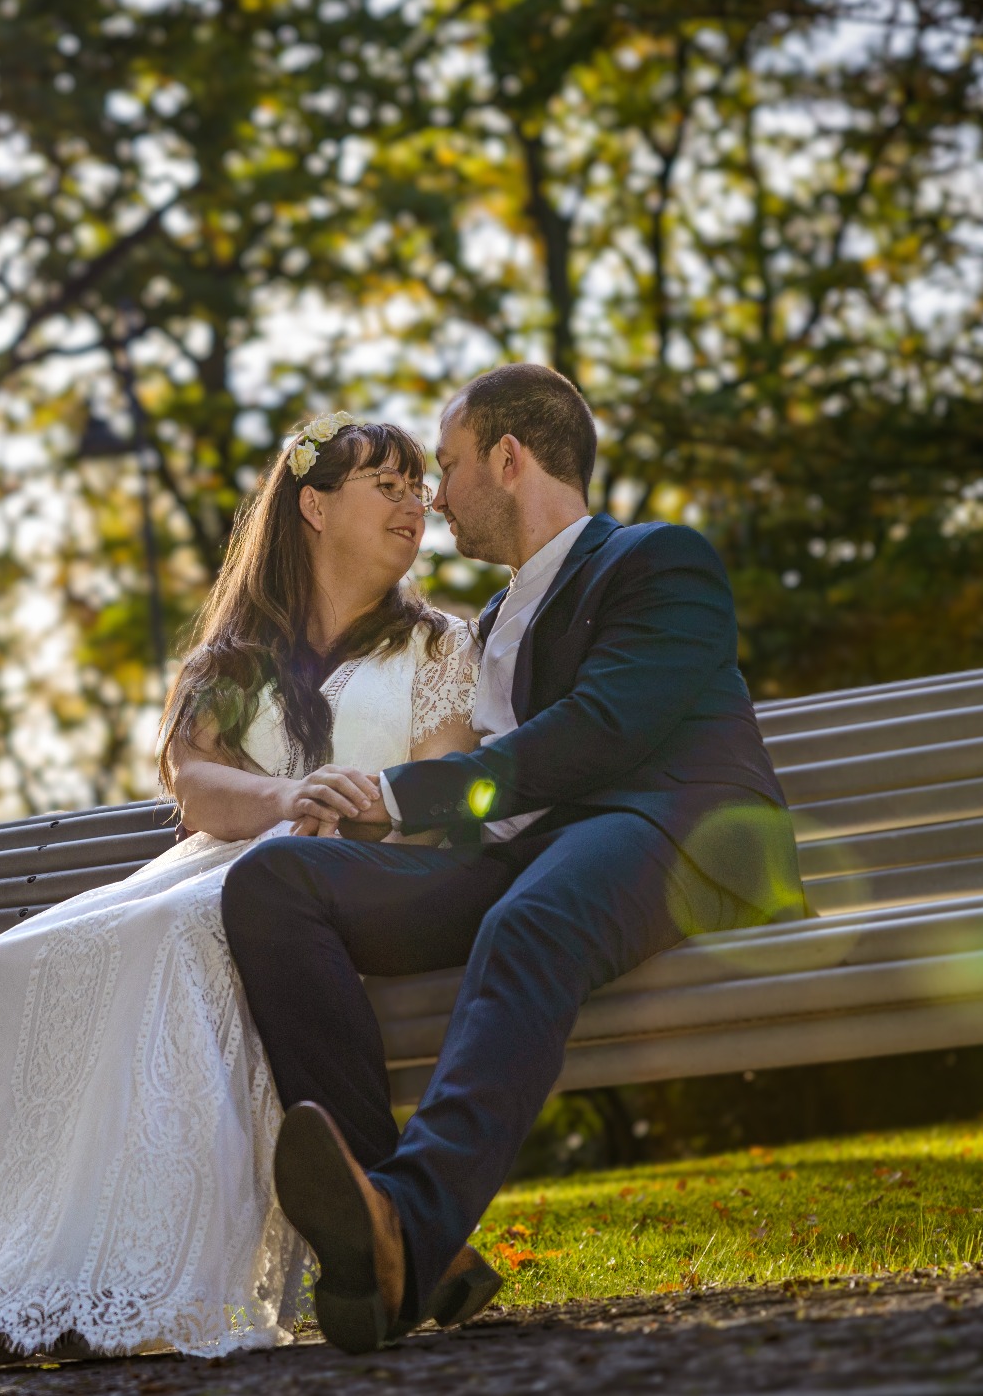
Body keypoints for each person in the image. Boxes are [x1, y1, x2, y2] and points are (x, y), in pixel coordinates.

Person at [0, 415, 483, 1378]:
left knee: (181, 936)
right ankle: (22, 1274)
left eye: (418, 485)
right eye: (383, 484)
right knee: (16, 962)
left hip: (349, 882)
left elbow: (440, 789)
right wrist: (283, 798)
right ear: (313, 506)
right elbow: (196, 781)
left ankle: (139, 1281)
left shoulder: (436, 646)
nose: (413, 502)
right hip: (228, 856)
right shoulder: (234, 660)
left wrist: (352, 821)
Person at [223, 363, 807, 1355]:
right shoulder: (483, 627)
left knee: (531, 916)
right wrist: (353, 816)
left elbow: (600, 732)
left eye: (445, 467)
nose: (432, 496)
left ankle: (403, 1225)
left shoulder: (657, 561)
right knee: (274, 884)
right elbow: (483, 796)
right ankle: (395, 1232)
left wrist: (401, 793)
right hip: (525, 855)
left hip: (674, 833)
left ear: (507, 457)